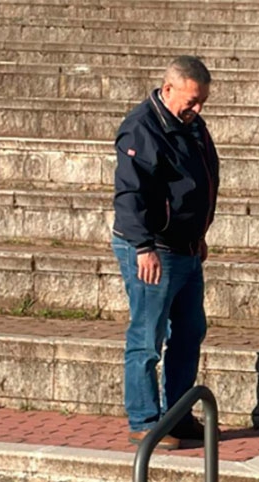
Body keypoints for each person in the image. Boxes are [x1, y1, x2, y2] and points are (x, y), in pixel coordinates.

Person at [111, 56, 219, 449]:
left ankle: (177, 414)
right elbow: (130, 193)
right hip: (152, 248)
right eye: (191, 101)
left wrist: (200, 233)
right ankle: (144, 420)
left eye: (202, 101)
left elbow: (199, 181)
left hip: (187, 248)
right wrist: (143, 246)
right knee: (147, 335)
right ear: (168, 88)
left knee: (190, 331)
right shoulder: (141, 128)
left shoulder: (191, 125)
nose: (197, 109)